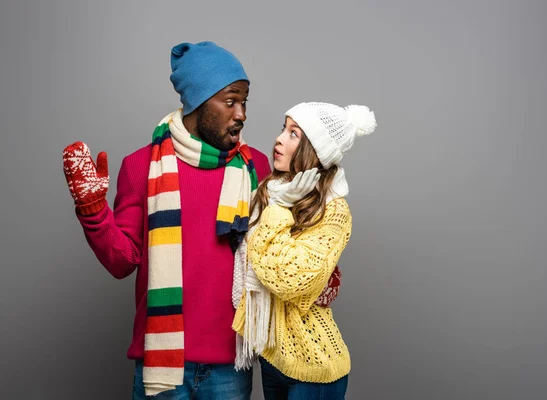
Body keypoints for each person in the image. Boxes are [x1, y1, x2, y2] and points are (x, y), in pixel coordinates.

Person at [61, 41, 272, 399]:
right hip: (160, 364)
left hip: (231, 367)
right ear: (199, 102)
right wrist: (93, 211)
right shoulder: (141, 166)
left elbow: (276, 255)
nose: (242, 114)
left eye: (244, 102)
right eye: (231, 101)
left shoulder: (256, 169)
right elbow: (122, 261)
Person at [232, 101, 377, 399]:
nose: (279, 139)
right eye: (283, 129)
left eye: (293, 134)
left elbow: (292, 280)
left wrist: (279, 209)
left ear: (315, 150)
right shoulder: (269, 191)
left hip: (313, 370)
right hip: (273, 361)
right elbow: (250, 251)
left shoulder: (333, 211)